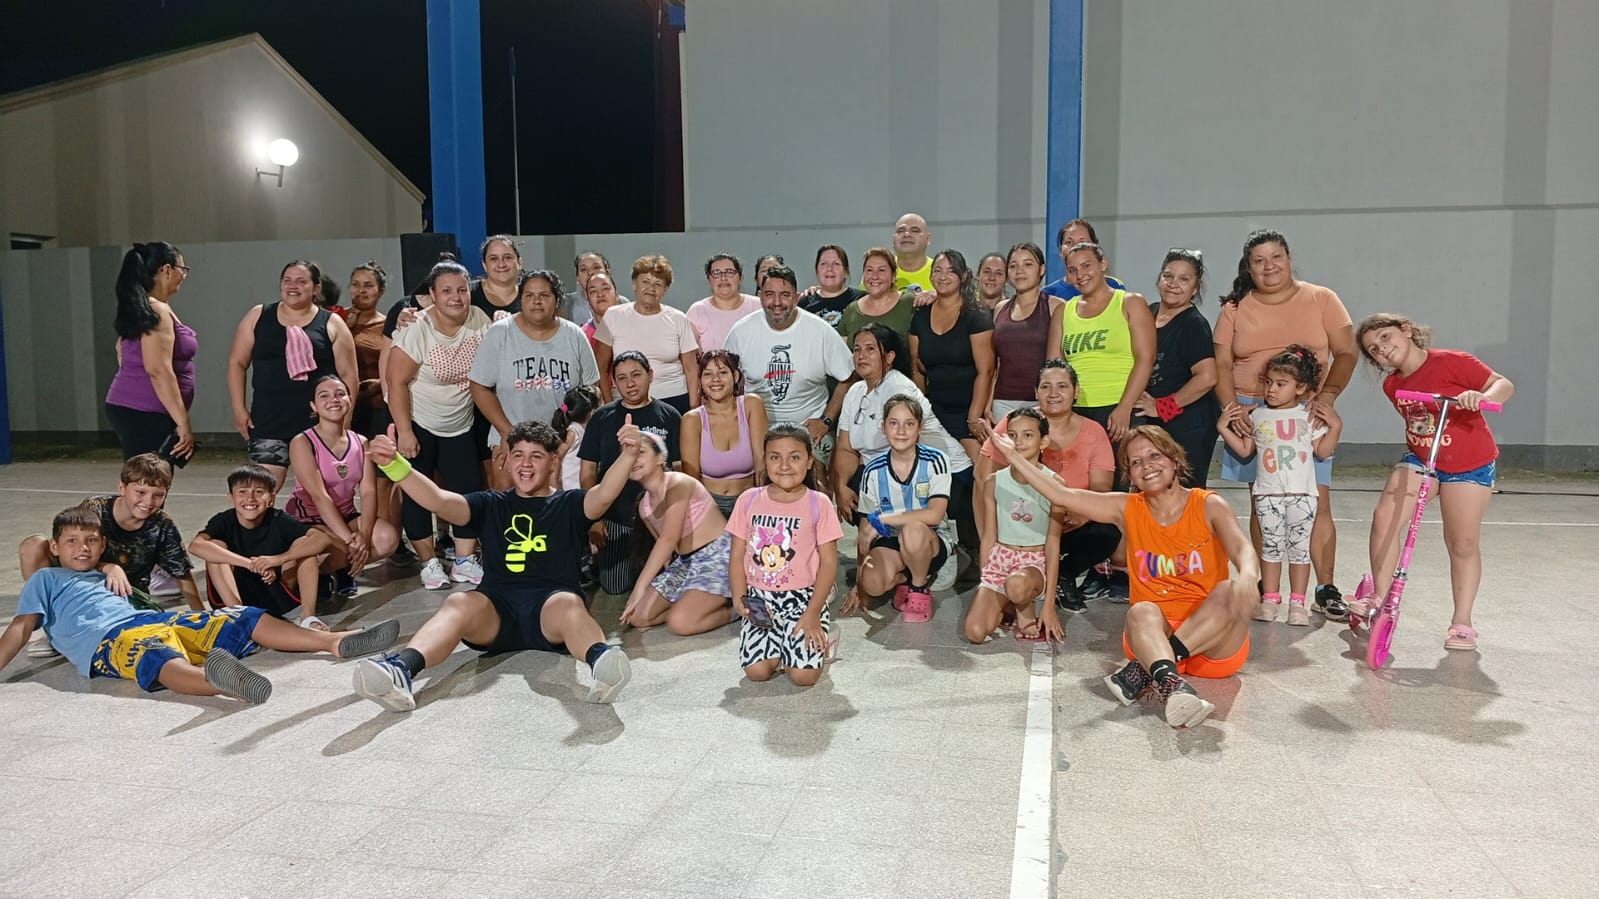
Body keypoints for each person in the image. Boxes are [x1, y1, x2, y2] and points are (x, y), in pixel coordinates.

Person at [354, 419, 642, 711]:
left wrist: (629, 455)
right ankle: (402, 669)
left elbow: (604, 494)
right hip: (495, 611)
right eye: (518, 455)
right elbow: (438, 501)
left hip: (551, 610)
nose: (525, 464)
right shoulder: (490, 504)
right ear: (508, 460)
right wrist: (395, 465)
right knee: (458, 602)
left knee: (570, 604)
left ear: (554, 461)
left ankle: (602, 663)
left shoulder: (570, 503)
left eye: (536, 456)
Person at [992, 425, 1261, 728]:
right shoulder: (1127, 507)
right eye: (1136, 462)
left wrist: (1249, 576)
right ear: (1130, 475)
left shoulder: (1208, 504)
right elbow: (1061, 494)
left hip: (1212, 644)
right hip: (1151, 640)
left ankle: (1147, 674)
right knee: (1141, 610)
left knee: (1229, 589)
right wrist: (1013, 455)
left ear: (1174, 460)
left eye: (1154, 456)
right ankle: (1173, 686)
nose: (1147, 466)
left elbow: (1243, 549)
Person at [1, 507, 400, 704]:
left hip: (154, 618)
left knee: (239, 616)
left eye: (91, 541)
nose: (82, 548)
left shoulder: (109, 572)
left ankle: (333, 642)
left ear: (102, 545)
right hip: (108, 641)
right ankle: (216, 682)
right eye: (72, 542)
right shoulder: (46, 580)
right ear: (55, 548)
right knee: (155, 657)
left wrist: (110, 567)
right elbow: (20, 628)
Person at [1213, 229, 1358, 619]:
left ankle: (1324, 587)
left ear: (1289, 257)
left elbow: (1346, 352)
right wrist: (1232, 409)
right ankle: (1269, 587)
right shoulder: (1235, 308)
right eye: (1258, 260)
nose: (1269, 266)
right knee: (1264, 503)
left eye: (1276, 256)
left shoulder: (1322, 298)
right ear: (1248, 267)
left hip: (1306, 414)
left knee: (1316, 500)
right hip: (1251, 414)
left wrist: (1326, 397)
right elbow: (1222, 363)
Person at [1352, 313, 1514, 651]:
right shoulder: (1392, 385)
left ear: (1406, 330)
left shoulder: (1453, 362)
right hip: (1422, 459)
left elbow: (1503, 384)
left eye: (1385, 337)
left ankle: (1462, 623)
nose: (1382, 349)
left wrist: (1480, 395)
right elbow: (1420, 425)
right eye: (1373, 350)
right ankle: (1380, 600)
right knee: (1385, 516)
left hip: (1469, 464)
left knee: (1461, 542)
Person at [16, 453, 201, 657]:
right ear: (122, 488)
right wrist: (108, 567)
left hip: (125, 596)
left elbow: (181, 573)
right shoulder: (94, 509)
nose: (148, 501)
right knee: (33, 546)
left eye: (158, 495)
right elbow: (70, 552)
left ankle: (83, 632)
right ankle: (54, 624)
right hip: (82, 587)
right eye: (140, 492)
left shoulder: (162, 525)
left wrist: (202, 618)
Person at [976, 360, 1119, 612]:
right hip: (1020, 522)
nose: (1053, 393)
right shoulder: (1016, 421)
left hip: (1068, 521)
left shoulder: (1094, 431)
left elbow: (1101, 487)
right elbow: (984, 474)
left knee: (1108, 530)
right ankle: (1003, 573)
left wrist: (1081, 513)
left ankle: (1064, 575)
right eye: (1045, 386)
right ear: (1036, 391)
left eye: (1062, 386)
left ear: (1076, 391)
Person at [387, 257, 492, 590]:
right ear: (432, 294)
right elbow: (396, 383)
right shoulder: (417, 328)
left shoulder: (479, 319)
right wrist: (405, 431)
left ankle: (464, 560)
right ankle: (429, 562)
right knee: (418, 494)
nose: (456, 297)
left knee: (468, 491)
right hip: (419, 420)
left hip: (460, 421)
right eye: (446, 291)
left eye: (462, 290)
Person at [1217, 348, 1342, 626]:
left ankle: (1298, 603)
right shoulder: (1258, 415)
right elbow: (1246, 450)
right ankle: (1271, 599)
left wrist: (1335, 426)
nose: (1271, 389)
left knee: (1299, 551)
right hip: (1267, 495)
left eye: (1281, 384)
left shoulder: (1308, 416)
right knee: (1270, 549)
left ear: (1301, 388)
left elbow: (1322, 451)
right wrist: (1223, 428)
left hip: (1303, 496)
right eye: (1269, 382)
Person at [727, 425, 843, 687]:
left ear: (809, 461)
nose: (784, 466)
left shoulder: (819, 503)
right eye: (775, 457)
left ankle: (821, 634)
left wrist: (813, 612)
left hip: (803, 601)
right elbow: (737, 555)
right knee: (757, 672)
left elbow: (828, 563)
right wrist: (739, 597)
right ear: (765, 460)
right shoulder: (748, 500)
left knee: (802, 677)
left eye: (795, 457)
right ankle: (782, 647)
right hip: (761, 600)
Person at [227, 259, 358, 489]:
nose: (292, 286)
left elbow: (349, 376)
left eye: (301, 281)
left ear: (316, 288)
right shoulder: (259, 315)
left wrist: (345, 420)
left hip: (317, 422)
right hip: (268, 420)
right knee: (263, 489)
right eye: (287, 280)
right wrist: (239, 408)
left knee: (319, 492)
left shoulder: (332, 323)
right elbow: (237, 363)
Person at [469, 269, 600, 490]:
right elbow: (479, 386)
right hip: (511, 438)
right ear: (520, 299)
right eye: (529, 295)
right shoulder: (500, 332)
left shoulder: (574, 335)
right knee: (507, 501)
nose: (536, 301)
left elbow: (592, 391)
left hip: (563, 442)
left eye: (544, 295)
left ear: (557, 300)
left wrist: (574, 434)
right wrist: (506, 432)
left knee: (560, 505)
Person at [722, 264, 854, 473]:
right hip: (755, 429)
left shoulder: (820, 331)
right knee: (753, 478)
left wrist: (826, 420)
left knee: (818, 480)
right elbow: (725, 381)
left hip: (810, 428)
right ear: (760, 296)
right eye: (769, 294)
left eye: (784, 295)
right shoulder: (741, 332)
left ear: (796, 298)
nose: (776, 302)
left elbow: (849, 376)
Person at [839, 395, 955, 623]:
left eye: (909, 424)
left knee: (912, 530)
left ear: (919, 428)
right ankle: (904, 579)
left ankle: (919, 587)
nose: (901, 431)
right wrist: (859, 583)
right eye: (893, 423)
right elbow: (865, 531)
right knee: (872, 584)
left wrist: (885, 518)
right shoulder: (872, 470)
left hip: (930, 540)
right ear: (883, 427)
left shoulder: (936, 460)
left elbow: (935, 514)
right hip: (891, 540)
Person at [285, 375, 400, 599]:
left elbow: (368, 492)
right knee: (325, 551)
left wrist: (364, 536)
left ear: (349, 399)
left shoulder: (361, 442)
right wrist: (351, 540)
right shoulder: (302, 442)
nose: (334, 400)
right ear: (313, 406)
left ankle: (344, 568)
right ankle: (323, 572)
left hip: (346, 515)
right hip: (310, 520)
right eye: (324, 396)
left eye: (340, 394)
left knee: (387, 537)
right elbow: (320, 497)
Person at [578, 352, 683, 594]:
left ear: (650, 375)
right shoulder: (601, 417)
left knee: (663, 585)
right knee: (615, 587)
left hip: (658, 516)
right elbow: (587, 471)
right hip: (615, 518)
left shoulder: (670, 416)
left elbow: (679, 468)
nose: (630, 384)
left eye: (636, 375)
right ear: (614, 382)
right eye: (622, 378)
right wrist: (594, 518)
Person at [189, 464, 335, 629]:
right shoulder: (224, 521)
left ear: (271, 498)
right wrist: (252, 564)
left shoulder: (279, 519)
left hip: (275, 594)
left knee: (305, 546)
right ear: (231, 497)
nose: (250, 498)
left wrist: (278, 559)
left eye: (259, 492)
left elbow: (322, 539)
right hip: (235, 595)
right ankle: (239, 616)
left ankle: (308, 617)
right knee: (215, 546)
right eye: (242, 492)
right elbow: (195, 546)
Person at [963, 408, 1065, 644]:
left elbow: (1053, 543)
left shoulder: (1055, 484)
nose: (1018, 442)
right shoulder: (993, 482)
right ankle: (1007, 603)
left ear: (1043, 441)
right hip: (1001, 561)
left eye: (1028, 435)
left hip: (1034, 564)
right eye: (1012, 435)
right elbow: (989, 536)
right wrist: (985, 580)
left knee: (1017, 584)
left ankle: (1024, 607)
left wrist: (1049, 605)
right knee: (975, 632)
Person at [619, 433, 736, 635]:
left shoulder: (678, 483)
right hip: (686, 563)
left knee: (681, 623)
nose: (634, 460)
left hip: (718, 556)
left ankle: (735, 611)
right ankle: (694, 605)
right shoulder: (644, 506)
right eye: (628, 455)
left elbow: (668, 539)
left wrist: (639, 588)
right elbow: (666, 552)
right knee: (637, 616)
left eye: (641, 452)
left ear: (660, 457)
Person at [1046, 241, 1156, 443]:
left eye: (1086, 266)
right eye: (1072, 270)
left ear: (1103, 264)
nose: (1080, 275)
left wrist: (1125, 407)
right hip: (1075, 411)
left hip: (1119, 408)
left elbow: (1146, 358)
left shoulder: (1130, 303)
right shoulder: (1063, 312)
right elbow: (1054, 367)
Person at [1131, 249, 1221, 486]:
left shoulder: (1193, 325)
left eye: (1184, 279)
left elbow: (1208, 377)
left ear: (1196, 287)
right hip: (1154, 424)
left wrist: (1162, 407)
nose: (1173, 284)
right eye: (1168, 276)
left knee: (1184, 493)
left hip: (1189, 426)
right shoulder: (1148, 312)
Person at [105, 241, 197, 463]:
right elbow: (158, 369)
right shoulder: (157, 310)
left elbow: (120, 349)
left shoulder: (144, 307)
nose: (184, 276)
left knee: (148, 476)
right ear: (166, 270)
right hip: (145, 411)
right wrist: (183, 422)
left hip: (141, 408)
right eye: (183, 269)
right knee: (149, 478)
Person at [909, 248, 996, 468]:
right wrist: (923, 410)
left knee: (981, 473)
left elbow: (986, 371)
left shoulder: (976, 316)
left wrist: (973, 417)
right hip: (934, 410)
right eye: (937, 270)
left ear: (963, 275)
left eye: (950, 271)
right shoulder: (920, 317)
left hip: (968, 410)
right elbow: (917, 367)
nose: (943, 276)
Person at [593, 255, 700, 413]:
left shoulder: (678, 319)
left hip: (674, 399)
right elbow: (600, 368)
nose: (651, 288)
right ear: (634, 284)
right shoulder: (613, 316)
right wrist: (609, 407)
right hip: (625, 401)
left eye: (658, 284)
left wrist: (693, 409)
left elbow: (691, 369)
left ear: (665, 290)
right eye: (645, 282)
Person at [681, 350, 768, 518]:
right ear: (700, 381)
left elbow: (761, 462)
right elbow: (692, 479)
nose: (715, 379)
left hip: (749, 500)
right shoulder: (692, 420)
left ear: (735, 376)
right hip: (709, 504)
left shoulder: (752, 404)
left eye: (722, 372)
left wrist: (760, 503)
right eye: (708, 374)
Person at [990, 242, 1066, 420]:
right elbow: (995, 364)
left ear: (1042, 269)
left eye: (1028, 264)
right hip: (1002, 400)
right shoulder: (1000, 308)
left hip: (1042, 401)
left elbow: (1059, 362)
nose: (1019, 271)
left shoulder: (1056, 306)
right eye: (1013, 265)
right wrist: (987, 404)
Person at [344, 261, 390, 438]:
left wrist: (377, 384)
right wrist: (346, 326)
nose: (361, 290)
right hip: (341, 403)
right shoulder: (334, 320)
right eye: (356, 285)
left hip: (377, 405)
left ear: (380, 291)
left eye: (368, 286)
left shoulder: (388, 325)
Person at [686, 253, 760, 353]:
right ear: (709, 279)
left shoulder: (758, 306)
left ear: (740, 277)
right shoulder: (697, 311)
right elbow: (688, 354)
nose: (723, 278)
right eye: (716, 272)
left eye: (729, 272)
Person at [838, 247, 917, 339]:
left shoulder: (910, 303)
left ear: (893, 276)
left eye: (881, 270)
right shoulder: (851, 310)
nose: (875, 276)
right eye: (869, 270)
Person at [1041, 218, 1125, 301]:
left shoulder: (1113, 285)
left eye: (1082, 242)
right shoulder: (1048, 294)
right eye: (1069, 242)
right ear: (1060, 250)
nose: (1075, 247)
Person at [582, 271, 625, 402]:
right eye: (593, 291)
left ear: (616, 294)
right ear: (587, 298)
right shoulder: (582, 335)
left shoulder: (632, 323)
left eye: (606, 289)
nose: (600, 295)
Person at [798, 244, 864, 329]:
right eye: (823, 264)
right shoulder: (804, 303)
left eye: (836, 264)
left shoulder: (861, 300)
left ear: (846, 272)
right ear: (816, 271)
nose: (829, 268)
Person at [553, 385, 601, 490]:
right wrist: (554, 488)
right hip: (569, 489)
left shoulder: (586, 430)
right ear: (592, 412)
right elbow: (556, 458)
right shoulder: (573, 432)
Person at [471, 235, 523, 321]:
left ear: (519, 263)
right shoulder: (467, 293)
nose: (501, 264)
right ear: (484, 265)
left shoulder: (530, 296)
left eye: (507, 257)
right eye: (494, 259)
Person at [561, 250, 615, 326]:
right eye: (583, 269)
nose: (590, 272)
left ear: (608, 272)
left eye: (596, 267)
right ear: (577, 278)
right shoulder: (566, 304)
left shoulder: (622, 302)